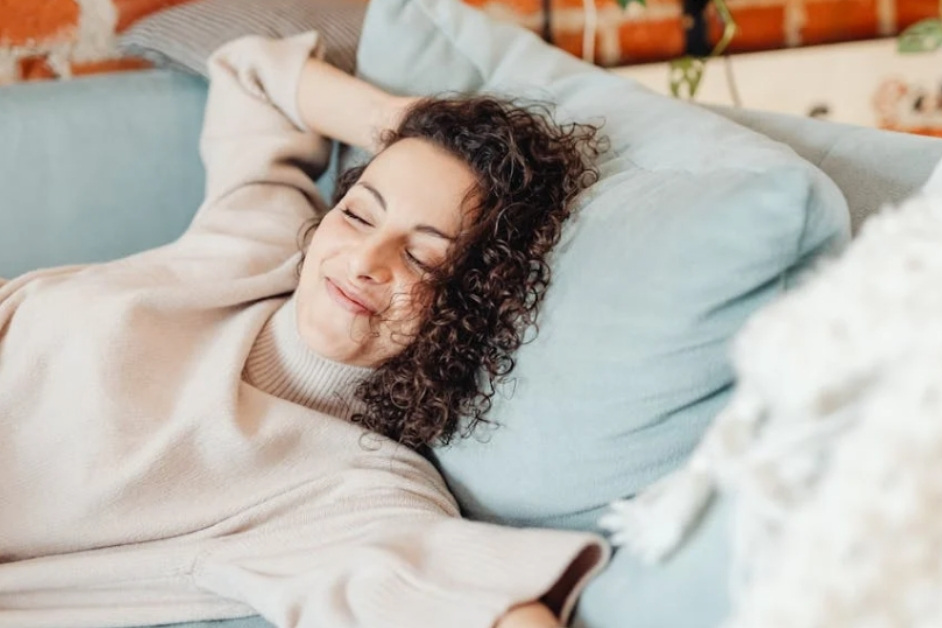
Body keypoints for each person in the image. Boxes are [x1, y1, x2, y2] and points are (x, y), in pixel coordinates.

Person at [0, 31, 607, 628]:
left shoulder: (349, 485)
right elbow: (251, 74)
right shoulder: (262, 240)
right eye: (359, 212)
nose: (365, 260)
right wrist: (420, 132)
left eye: (421, 258)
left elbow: (443, 585)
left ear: (473, 304)